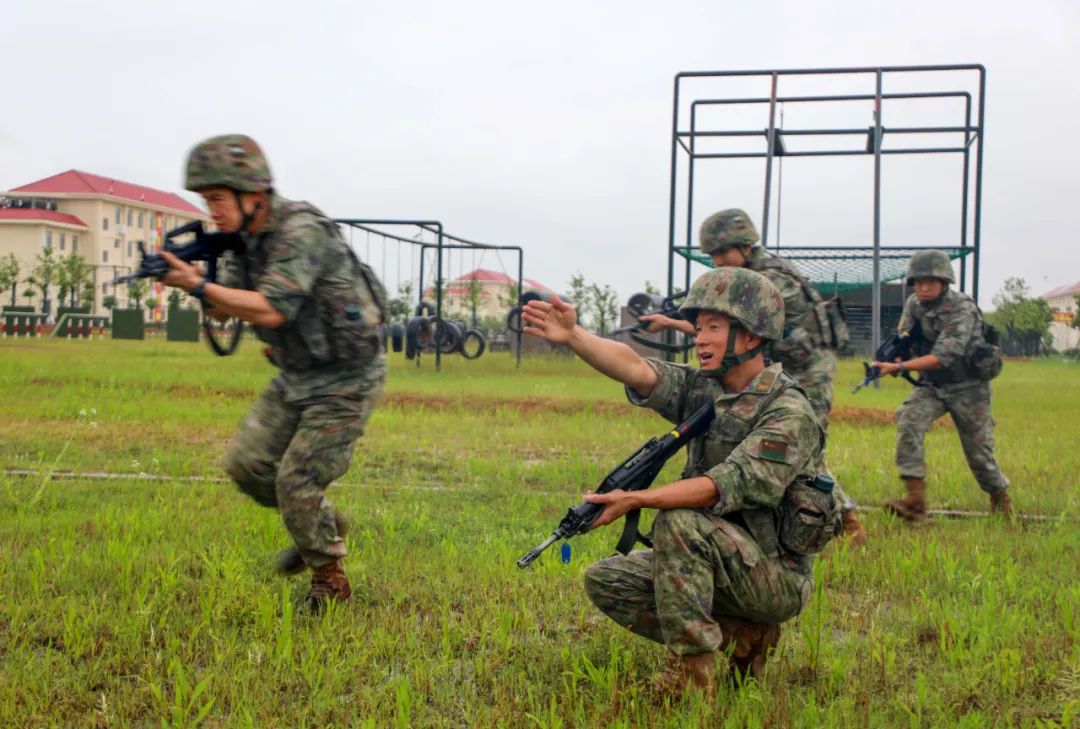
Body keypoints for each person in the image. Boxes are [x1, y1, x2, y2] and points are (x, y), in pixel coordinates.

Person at [523, 267, 827, 697]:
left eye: (714, 328)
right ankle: (743, 635)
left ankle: (692, 674)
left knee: (677, 520)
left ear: (752, 337)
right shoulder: (707, 389)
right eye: (699, 328)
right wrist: (575, 336)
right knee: (608, 581)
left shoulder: (788, 411)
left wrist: (636, 499)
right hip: (722, 558)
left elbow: (725, 483)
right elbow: (637, 369)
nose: (700, 338)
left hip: (776, 577)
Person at [159, 134, 387, 612]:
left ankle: (328, 579)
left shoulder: (300, 231)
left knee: (296, 481)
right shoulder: (247, 243)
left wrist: (199, 284)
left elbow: (270, 311)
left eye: (218, 199)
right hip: (296, 374)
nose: (212, 210)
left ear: (253, 194)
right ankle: (323, 524)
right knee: (247, 467)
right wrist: (197, 278)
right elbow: (225, 315)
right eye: (206, 201)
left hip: (348, 377)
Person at [642, 209, 867, 545]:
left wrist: (673, 323)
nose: (718, 261)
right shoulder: (753, 275)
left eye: (722, 252)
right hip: (784, 364)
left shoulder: (770, 280)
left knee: (804, 451)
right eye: (713, 255)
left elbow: (736, 329)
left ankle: (844, 521)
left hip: (808, 369)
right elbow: (720, 328)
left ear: (745, 246)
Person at [873, 249, 1010, 521]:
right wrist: (898, 354)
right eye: (918, 282)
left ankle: (1000, 498)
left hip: (969, 387)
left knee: (979, 455)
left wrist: (899, 367)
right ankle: (915, 501)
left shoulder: (962, 308)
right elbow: (905, 336)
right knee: (908, 421)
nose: (923, 287)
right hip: (933, 386)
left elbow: (944, 356)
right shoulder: (913, 304)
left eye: (930, 282)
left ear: (944, 282)